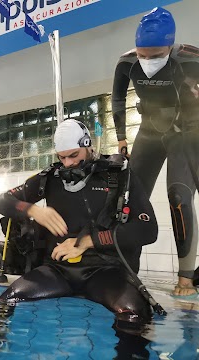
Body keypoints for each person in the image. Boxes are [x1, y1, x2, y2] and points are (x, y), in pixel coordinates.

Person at [0, 120, 158, 357]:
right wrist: (33, 210)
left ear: (88, 145)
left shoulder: (118, 175)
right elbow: (2, 201)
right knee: (6, 299)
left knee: (134, 313)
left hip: (105, 270)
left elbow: (148, 230)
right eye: (62, 157)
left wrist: (87, 242)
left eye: (73, 155)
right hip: (59, 271)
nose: (68, 163)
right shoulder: (51, 178)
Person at [112, 7, 199, 297]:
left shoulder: (190, 58)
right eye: (143, 54)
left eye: (156, 55)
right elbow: (117, 98)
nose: (147, 61)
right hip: (148, 133)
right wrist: (121, 137)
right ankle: (125, 268)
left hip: (184, 134)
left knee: (179, 197)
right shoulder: (126, 62)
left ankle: (186, 277)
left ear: (170, 46)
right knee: (129, 200)